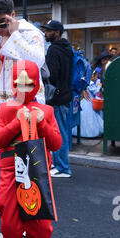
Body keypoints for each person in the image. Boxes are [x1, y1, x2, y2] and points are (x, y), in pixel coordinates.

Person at [0, 60, 62, 238]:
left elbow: (56, 144)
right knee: (9, 222)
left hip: (37, 170)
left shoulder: (47, 111)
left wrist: (42, 124)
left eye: (29, 84)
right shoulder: (4, 109)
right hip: (11, 169)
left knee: (41, 224)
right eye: (19, 84)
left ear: (37, 85)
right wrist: (16, 122)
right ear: (12, 84)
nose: (23, 89)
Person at [0, 0, 45, 214]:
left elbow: (37, 61)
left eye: (1, 23)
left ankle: (27, 201)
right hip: (5, 104)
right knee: (6, 152)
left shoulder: (30, 33)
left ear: (13, 16)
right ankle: (6, 195)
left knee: (27, 153)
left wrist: (13, 35)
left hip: (29, 103)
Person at [40, 20, 73, 178]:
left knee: (58, 133)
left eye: (48, 31)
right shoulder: (68, 48)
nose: (46, 33)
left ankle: (63, 168)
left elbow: (51, 75)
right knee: (61, 131)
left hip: (56, 97)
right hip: (66, 94)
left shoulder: (53, 50)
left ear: (57, 32)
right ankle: (58, 163)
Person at [72, 70, 103, 138]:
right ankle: (91, 133)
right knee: (90, 117)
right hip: (88, 101)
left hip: (83, 100)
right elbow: (95, 91)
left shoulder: (84, 81)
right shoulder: (90, 83)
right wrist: (99, 86)